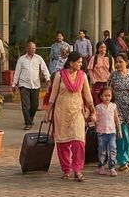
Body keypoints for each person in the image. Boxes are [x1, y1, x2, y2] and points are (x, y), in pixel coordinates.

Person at [46, 52, 95, 182]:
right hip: (61, 113)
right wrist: (47, 112)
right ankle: (66, 170)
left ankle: (77, 170)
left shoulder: (82, 75)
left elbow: (87, 95)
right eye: (78, 62)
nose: (80, 64)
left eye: (81, 62)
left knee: (79, 141)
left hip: (77, 112)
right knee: (63, 143)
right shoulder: (59, 75)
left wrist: (93, 111)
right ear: (71, 62)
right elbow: (53, 95)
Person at [12, 40, 51, 130]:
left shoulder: (38, 58)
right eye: (30, 48)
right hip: (24, 85)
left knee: (35, 105)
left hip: (35, 85)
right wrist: (14, 84)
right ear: (27, 49)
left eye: (34, 48)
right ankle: (28, 123)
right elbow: (17, 72)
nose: (33, 50)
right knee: (25, 105)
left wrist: (48, 78)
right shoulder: (21, 59)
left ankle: (30, 119)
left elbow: (44, 69)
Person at [94, 86, 119, 176]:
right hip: (101, 132)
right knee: (102, 150)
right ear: (101, 96)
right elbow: (95, 119)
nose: (107, 97)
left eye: (109, 95)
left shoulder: (113, 106)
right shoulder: (98, 107)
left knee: (113, 149)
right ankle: (101, 166)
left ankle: (112, 167)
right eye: (105, 95)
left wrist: (119, 130)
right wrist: (92, 119)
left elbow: (116, 118)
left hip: (112, 132)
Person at [88, 40, 113, 105]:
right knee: (97, 102)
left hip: (107, 83)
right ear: (98, 49)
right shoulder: (94, 58)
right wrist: (92, 79)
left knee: (106, 101)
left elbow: (112, 70)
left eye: (104, 47)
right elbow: (90, 69)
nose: (103, 49)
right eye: (101, 47)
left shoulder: (110, 58)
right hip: (97, 83)